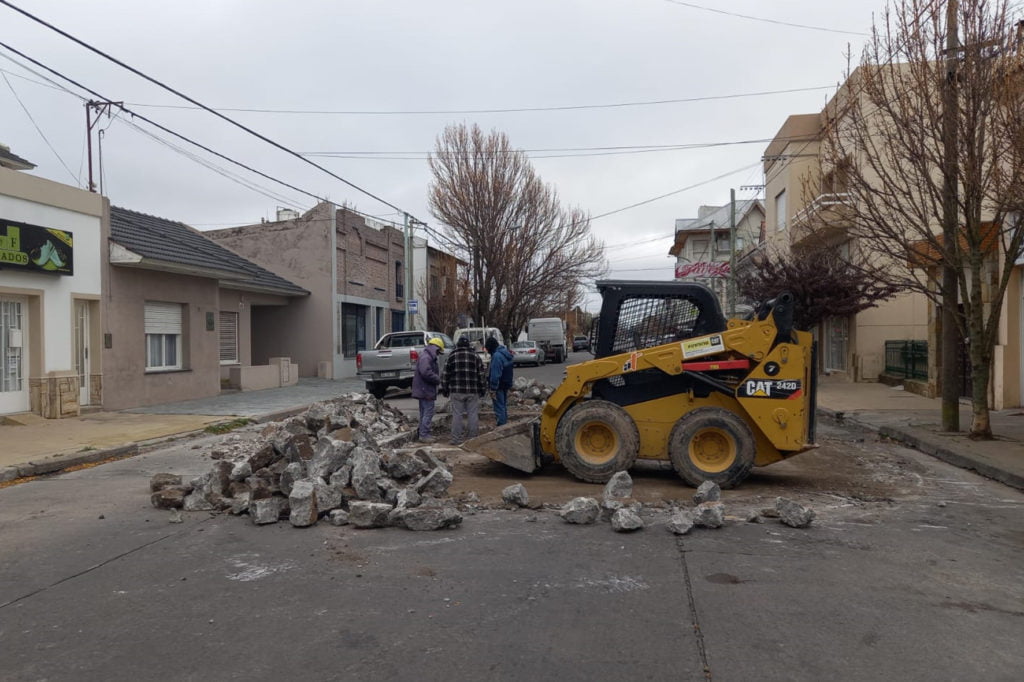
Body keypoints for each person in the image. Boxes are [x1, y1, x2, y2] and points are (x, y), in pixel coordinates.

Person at [440, 336, 487, 445]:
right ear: (468, 345)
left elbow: (445, 374)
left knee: (457, 415)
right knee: (472, 414)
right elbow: (481, 375)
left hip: (456, 391)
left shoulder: (452, 356)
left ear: (458, 345)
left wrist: (445, 388)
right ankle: (473, 439)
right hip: (472, 390)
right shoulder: (475, 356)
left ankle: (456, 439)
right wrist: (483, 389)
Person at [411, 337, 444, 443]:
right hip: (426, 389)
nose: (439, 354)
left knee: (424, 412)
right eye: (439, 351)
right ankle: (424, 434)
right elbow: (426, 372)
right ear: (436, 348)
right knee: (428, 412)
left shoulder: (426, 356)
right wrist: (437, 379)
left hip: (424, 389)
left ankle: (423, 433)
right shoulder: (427, 357)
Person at [485, 336, 515, 426]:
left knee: (499, 407)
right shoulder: (505, 353)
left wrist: (493, 388)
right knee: (503, 406)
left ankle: (501, 426)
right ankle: (505, 425)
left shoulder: (497, 356)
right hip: (506, 383)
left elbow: (495, 375)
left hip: (498, 386)